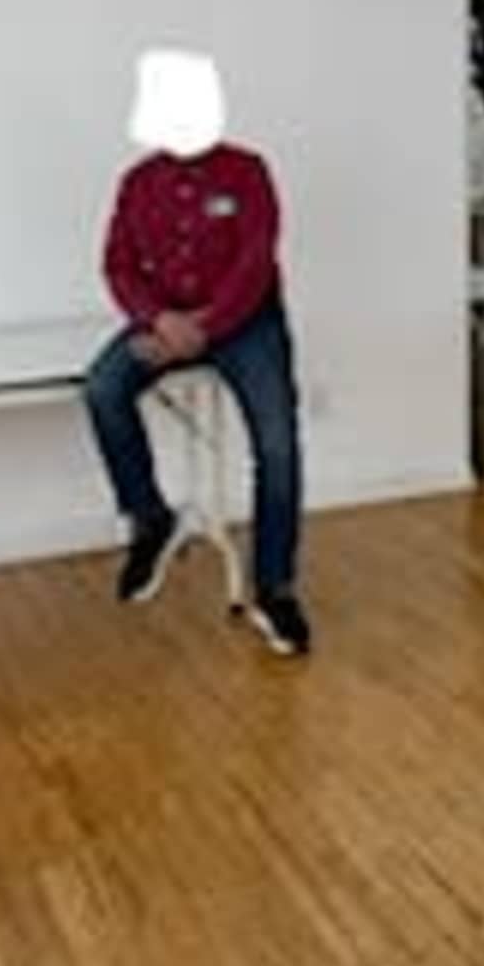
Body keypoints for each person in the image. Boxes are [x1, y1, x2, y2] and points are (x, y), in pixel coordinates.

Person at [83, 49, 310, 658]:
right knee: (103, 388)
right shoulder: (137, 183)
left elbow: (255, 262)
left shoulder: (248, 172)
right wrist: (156, 320)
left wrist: (204, 328)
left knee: (278, 444)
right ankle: (150, 518)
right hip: (164, 321)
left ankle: (275, 588)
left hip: (246, 324)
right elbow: (118, 264)